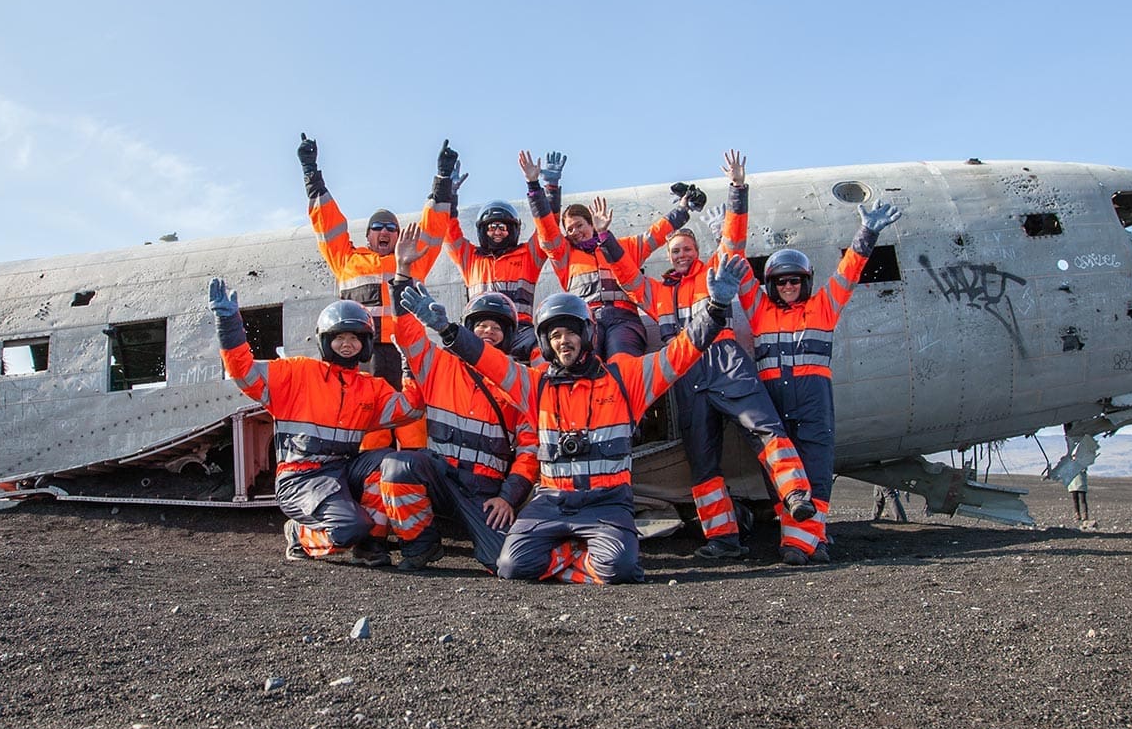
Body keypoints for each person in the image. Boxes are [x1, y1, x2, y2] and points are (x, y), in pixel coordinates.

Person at [401, 256, 752, 584]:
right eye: (554, 335)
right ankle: (582, 556)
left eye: (570, 332)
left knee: (621, 569)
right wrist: (446, 329)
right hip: (551, 501)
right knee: (511, 566)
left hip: (606, 502)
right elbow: (486, 360)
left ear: (586, 335)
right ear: (545, 343)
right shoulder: (535, 386)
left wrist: (716, 309)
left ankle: (582, 557)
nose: (563, 341)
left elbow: (681, 352)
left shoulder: (626, 380)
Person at [614, 150, 818, 558]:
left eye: (687, 249)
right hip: (685, 372)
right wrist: (604, 236)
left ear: (697, 251)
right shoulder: (657, 293)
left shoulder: (713, 272)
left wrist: (737, 189)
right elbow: (624, 274)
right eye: (675, 251)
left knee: (764, 427)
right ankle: (723, 538)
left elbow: (734, 240)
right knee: (702, 460)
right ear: (668, 257)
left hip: (725, 361)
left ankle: (796, 494)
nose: (681, 255)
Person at [209, 278, 431, 564]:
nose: (347, 344)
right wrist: (228, 325)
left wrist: (408, 362)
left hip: (343, 470)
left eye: (355, 338)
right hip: (302, 478)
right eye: (339, 337)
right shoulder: (297, 373)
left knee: (386, 462)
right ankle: (300, 534)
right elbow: (244, 373)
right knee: (348, 529)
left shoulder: (370, 387)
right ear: (325, 341)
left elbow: (410, 409)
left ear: (366, 343)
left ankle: (370, 545)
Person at [739, 197, 902, 563]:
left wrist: (867, 233)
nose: (788, 286)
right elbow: (739, 268)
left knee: (816, 473)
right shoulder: (758, 310)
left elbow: (849, 272)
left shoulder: (823, 308)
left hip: (813, 403)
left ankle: (801, 544)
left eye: (795, 280)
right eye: (781, 281)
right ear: (771, 285)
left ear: (806, 282)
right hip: (774, 404)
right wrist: (732, 213)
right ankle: (808, 542)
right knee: (779, 477)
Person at [375, 224, 538, 572]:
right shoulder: (439, 365)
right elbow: (408, 334)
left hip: (484, 493)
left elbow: (528, 451)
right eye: (481, 326)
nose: (488, 331)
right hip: (441, 477)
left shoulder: (518, 381)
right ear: (467, 329)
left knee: (505, 563)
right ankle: (421, 544)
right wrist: (402, 272)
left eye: (496, 327)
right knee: (396, 466)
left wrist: (508, 498)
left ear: (509, 336)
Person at [296, 132, 427, 448]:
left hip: (402, 352)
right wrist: (311, 173)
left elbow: (434, 228)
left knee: (412, 423)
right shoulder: (347, 258)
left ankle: (414, 470)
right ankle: (372, 472)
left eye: (391, 228)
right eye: (378, 227)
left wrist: (443, 185)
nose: (385, 232)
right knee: (370, 423)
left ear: (398, 236)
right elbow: (327, 222)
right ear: (368, 235)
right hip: (362, 351)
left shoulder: (411, 260)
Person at [530, 154, 699, 359]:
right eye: (570, 229)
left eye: (579, 225)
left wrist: (682, 210)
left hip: (624, 320)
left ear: (592, 224)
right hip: (587, 320)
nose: (575, 232)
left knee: (622, 361)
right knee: (588, 362)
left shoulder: (622, 247)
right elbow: (547, 230)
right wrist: (545, 188)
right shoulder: (566, 256)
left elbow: (654, 235)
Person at [409, 145, 554, 361]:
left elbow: (548, 229)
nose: (497, 232)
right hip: (480, 329)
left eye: (503, 227)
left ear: (513, 230)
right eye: (491, 227)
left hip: (519, 331)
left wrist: (541, 187)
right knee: (449, 357)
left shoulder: (528, 255)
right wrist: (449, 194)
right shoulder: (470, 258)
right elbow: (448, 230)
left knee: (543, 352)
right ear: (482, 231)